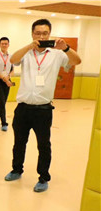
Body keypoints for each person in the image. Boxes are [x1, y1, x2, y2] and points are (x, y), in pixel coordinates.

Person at [5, 18, 81, 193]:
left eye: (45, 33)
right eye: (38, 33)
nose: (41, 36)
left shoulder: (57, 54)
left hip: (43, 109)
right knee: (19, 143)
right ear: (32, 34)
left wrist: (66, 48)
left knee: (44, 145)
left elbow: (77, 61)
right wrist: (28, 46)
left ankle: (43, 177)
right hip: (23, 108)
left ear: (50, 34)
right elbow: (13, 59)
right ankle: (17, 170)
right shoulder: (26, 53)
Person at [0, 37, 14, 131]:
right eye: (2, 43)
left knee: (2, 102)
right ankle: (4, 123)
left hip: (8, 81)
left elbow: (12, 70)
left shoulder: (11, 56)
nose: (4, 45)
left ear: (8, 45)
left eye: (6, 43)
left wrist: (8, 77)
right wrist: (4, 78)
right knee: (1, 103)